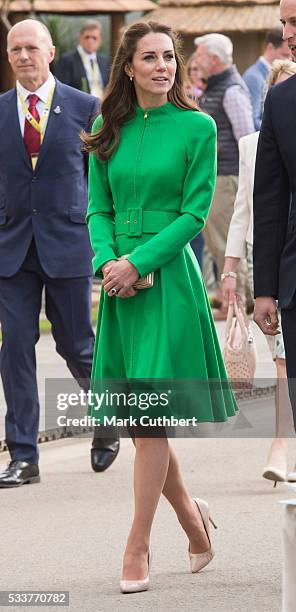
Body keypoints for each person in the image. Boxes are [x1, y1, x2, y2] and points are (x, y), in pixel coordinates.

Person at [83, 20, 237, 594]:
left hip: (168, 282)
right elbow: (97, 208)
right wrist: (109, 265)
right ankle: (193, 520)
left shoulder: (198, 127)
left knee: (149, 423)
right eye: (149, 58)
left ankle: (137, 544)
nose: (163, 66)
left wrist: (139, 263)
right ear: (128, 67)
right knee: (140, 423)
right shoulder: (106, 128)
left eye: (169, 57)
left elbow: (195, 215)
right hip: (120, 287)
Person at [0, 19, 118, 489]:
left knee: (77, 346)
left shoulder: (87, 107)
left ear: (51, 52)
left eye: (31, 48)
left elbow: (101, 182)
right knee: (15, 351)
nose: (23, 56)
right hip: (11, 249)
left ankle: (107, 420)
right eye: (14, 49)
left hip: (68, 244)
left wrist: (104, 244)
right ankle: (24, 456)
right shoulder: (1, 110)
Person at [222, 59, 296, 486]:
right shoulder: (255, 140)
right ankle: (281, 442)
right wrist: (238, 273)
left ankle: (282, 443)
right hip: (278, 266)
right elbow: (250, 208)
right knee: (283, 362)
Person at [253, 0, 296, 431]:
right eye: (284, 23)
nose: (286, 34)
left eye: (295, 22)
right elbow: (269, 200)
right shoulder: (281, 102)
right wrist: (264, 288)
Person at [194, 33, 255, 320]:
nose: (197, 61)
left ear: (215, 60)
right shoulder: (215, 87)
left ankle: (238, 304)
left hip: (228, 176)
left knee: (227, 242)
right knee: (217, 241)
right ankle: (232, 301)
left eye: (201, 55)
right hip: (219, 175)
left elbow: (246, 138)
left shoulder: (231, 90)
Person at [243, 28, 291, 130]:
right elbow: (253, 120)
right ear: (270, 47)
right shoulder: (254, 77)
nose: (288, 60)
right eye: (285, 55)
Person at [54, 20, 111, 97]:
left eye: (94, 38)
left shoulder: (104, 61)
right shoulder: (67, 60)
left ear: (100, 40)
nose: (90, 41)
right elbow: (61, 89)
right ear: (80, 37)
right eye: (87, 37)